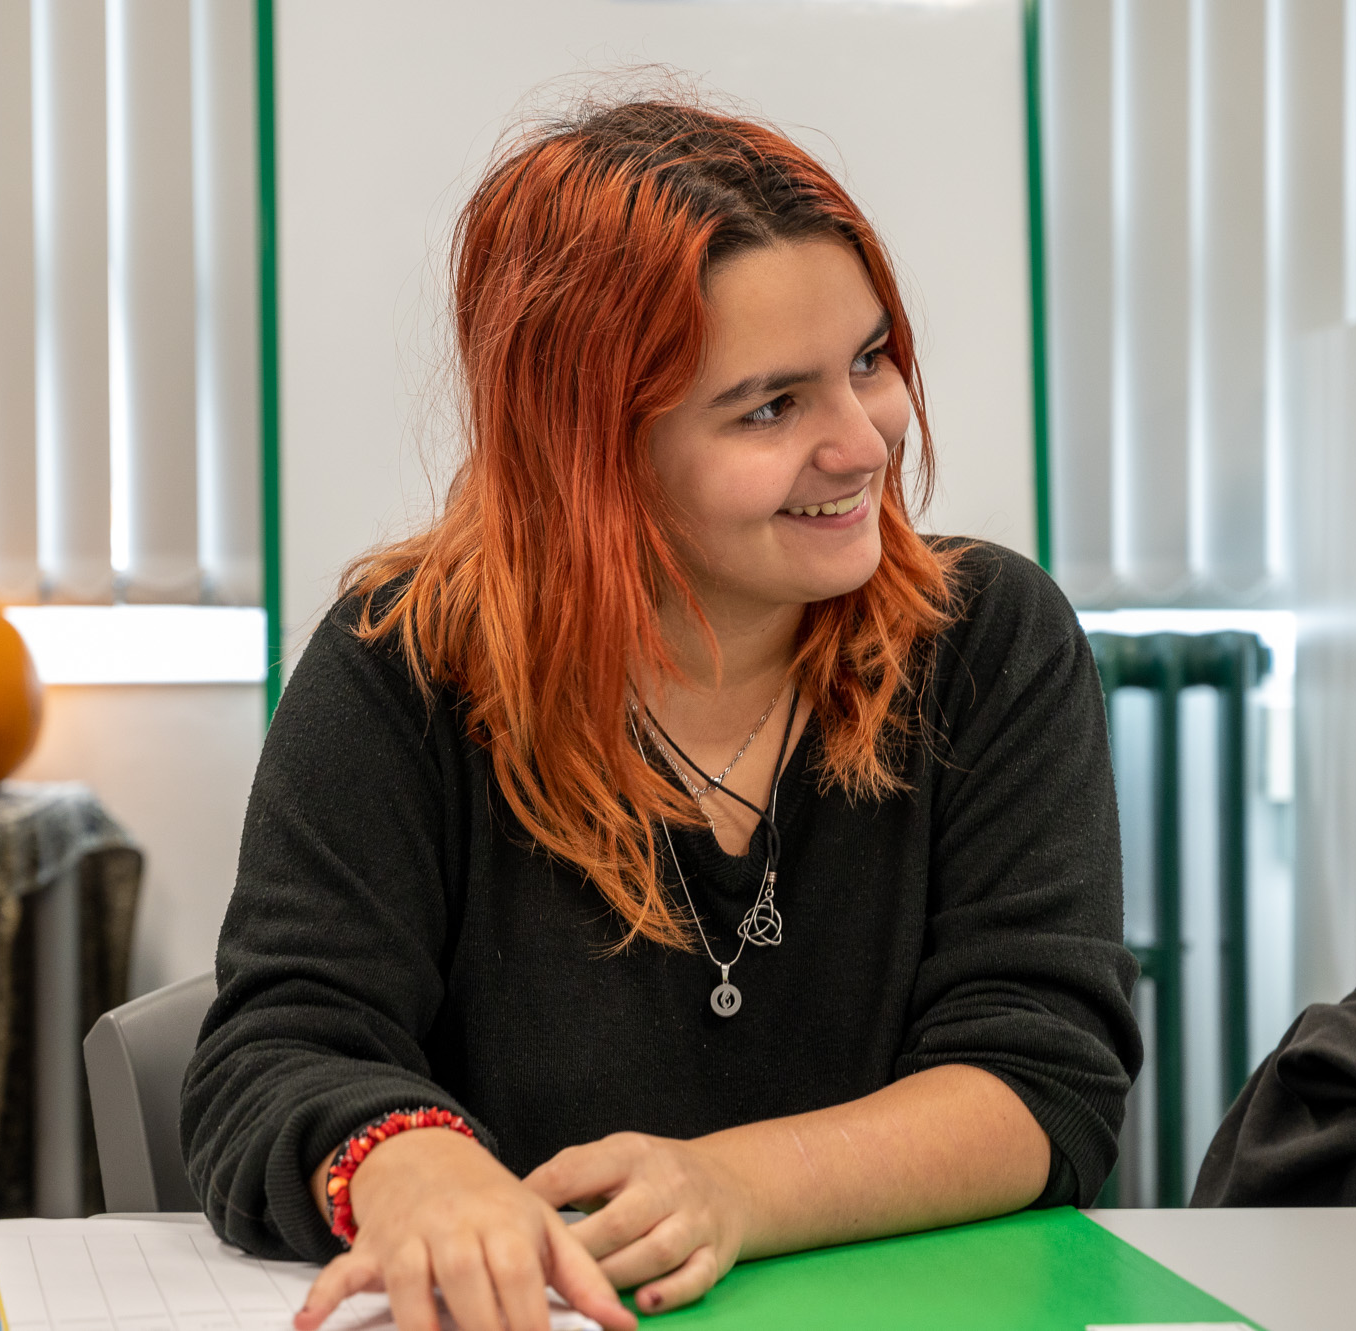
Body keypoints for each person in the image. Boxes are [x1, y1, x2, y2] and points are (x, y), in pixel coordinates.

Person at [183, 97, 1141, 1331]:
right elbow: (273, 1053)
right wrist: (413, 1165)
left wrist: (731, 1186)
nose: (861, 444)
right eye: (769, 405)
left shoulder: (987, 640)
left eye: (867, 361)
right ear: (591, 447)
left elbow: (1041, 1074)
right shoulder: (402, 663)